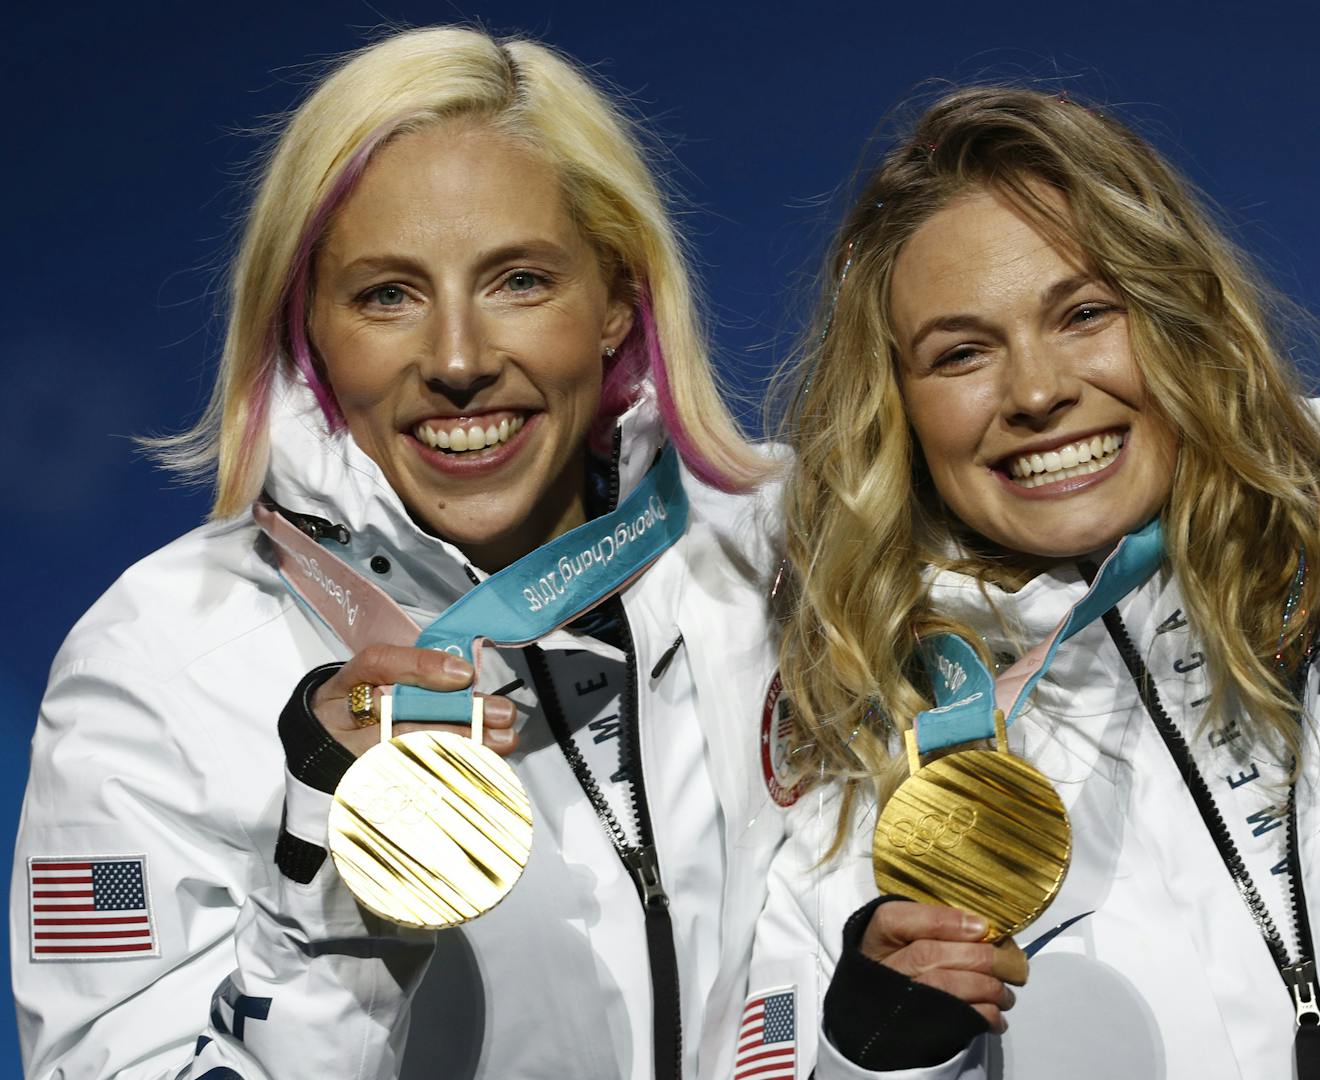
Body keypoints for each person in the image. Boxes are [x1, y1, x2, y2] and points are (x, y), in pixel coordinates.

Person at [12, 27, 788, 1079]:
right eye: (387, 295)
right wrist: (330, 883)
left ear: (616, 299)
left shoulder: (777, 561)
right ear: (306, 331)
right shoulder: (158, 657)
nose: (459, 360)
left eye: (518, 279)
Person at [748, 86, 1320, 1078]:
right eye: (962, 352)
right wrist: (871, 1063)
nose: (1035, 392)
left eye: (1082, 313)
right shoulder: (847, 802)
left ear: (1179, 318)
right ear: (894, 408)